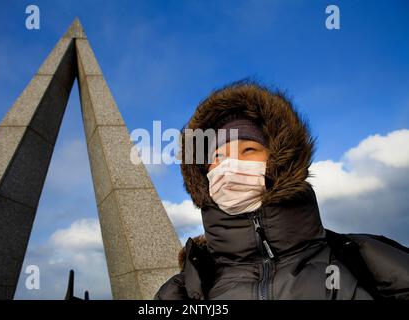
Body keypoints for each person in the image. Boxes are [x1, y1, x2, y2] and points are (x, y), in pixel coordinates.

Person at [154, 80, 409, 300]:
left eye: (248, 150)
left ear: (278, 162)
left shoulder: (364, 259)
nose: (229, 166)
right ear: (203, 173)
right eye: (218, 156)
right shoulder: (183, 290)